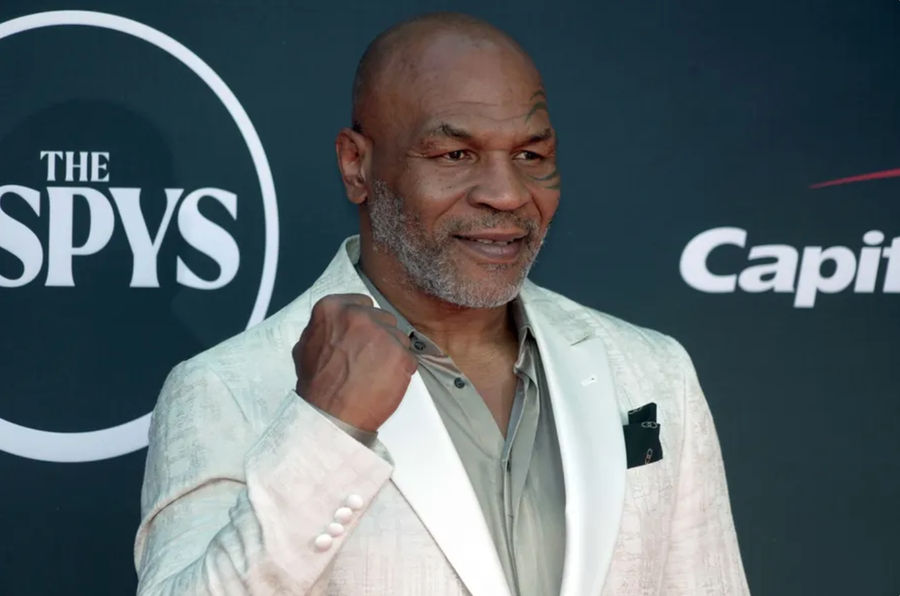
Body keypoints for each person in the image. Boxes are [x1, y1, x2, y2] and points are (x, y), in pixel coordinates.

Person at [134, 12, 749, 596]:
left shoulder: (652, 370)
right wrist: (326, 430)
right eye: (456, 155)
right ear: (357, 166)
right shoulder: (226, 388)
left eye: (531, 155)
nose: (507, 194)